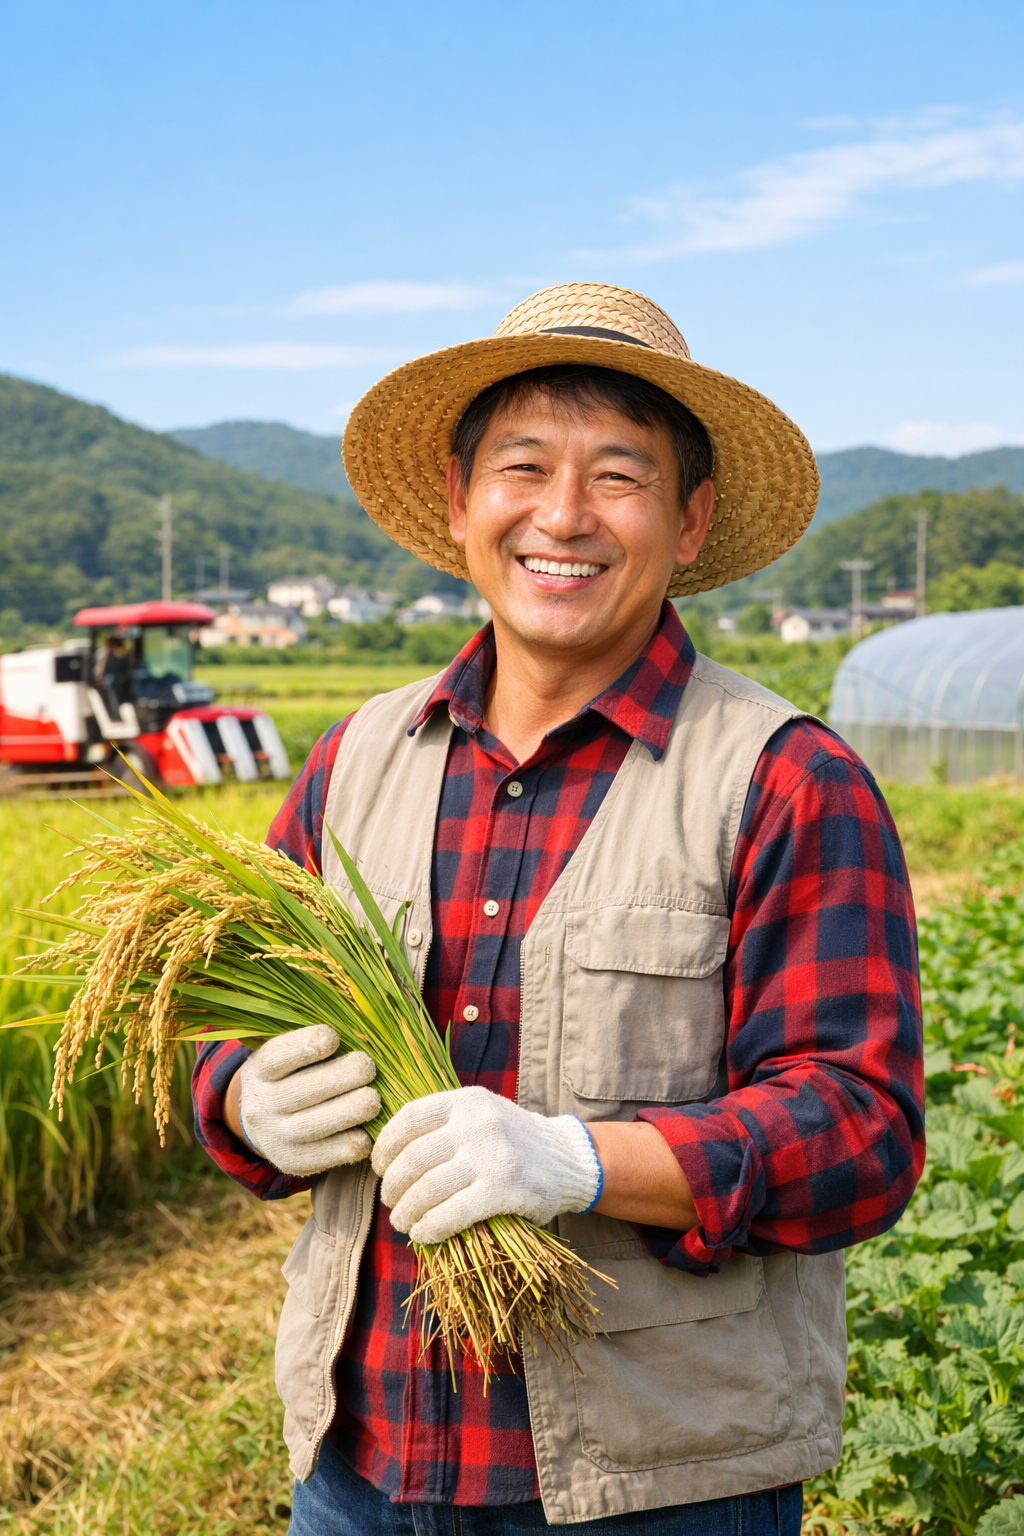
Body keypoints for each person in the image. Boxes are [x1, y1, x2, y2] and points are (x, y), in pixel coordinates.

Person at [192, 284, 924, 1534]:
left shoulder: (788, 780)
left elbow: (857, 1135)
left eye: (619, 478)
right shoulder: (353, 761)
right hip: (359, 1465)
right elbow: (219, 1022)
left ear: (689, 521)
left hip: (660, 1483)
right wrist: (243, 1100)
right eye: (522, 466)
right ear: (458, 499)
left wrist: (575, 1161)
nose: (563, 516)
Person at [94, 634, 131, 717]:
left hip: (118, 678)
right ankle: (116, 715)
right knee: (113, 696)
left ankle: (121, 713)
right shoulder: (103, 652)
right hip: (108, 679)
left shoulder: (119, 651)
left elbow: (125, 662)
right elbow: (101, 664)